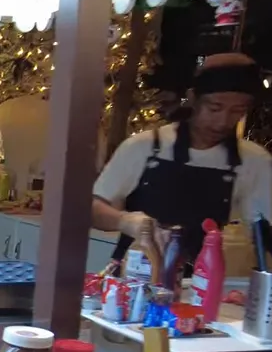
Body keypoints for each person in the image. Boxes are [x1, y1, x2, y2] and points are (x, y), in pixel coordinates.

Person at [92, 53, 272, 265]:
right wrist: (125, 221)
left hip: (203, 278)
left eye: (237, 111)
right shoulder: (145, 146)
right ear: (193, 98)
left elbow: (264, 229)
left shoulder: (253, 160)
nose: (223, 121)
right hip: (135, 273)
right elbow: (92, 209)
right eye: (214, 108)